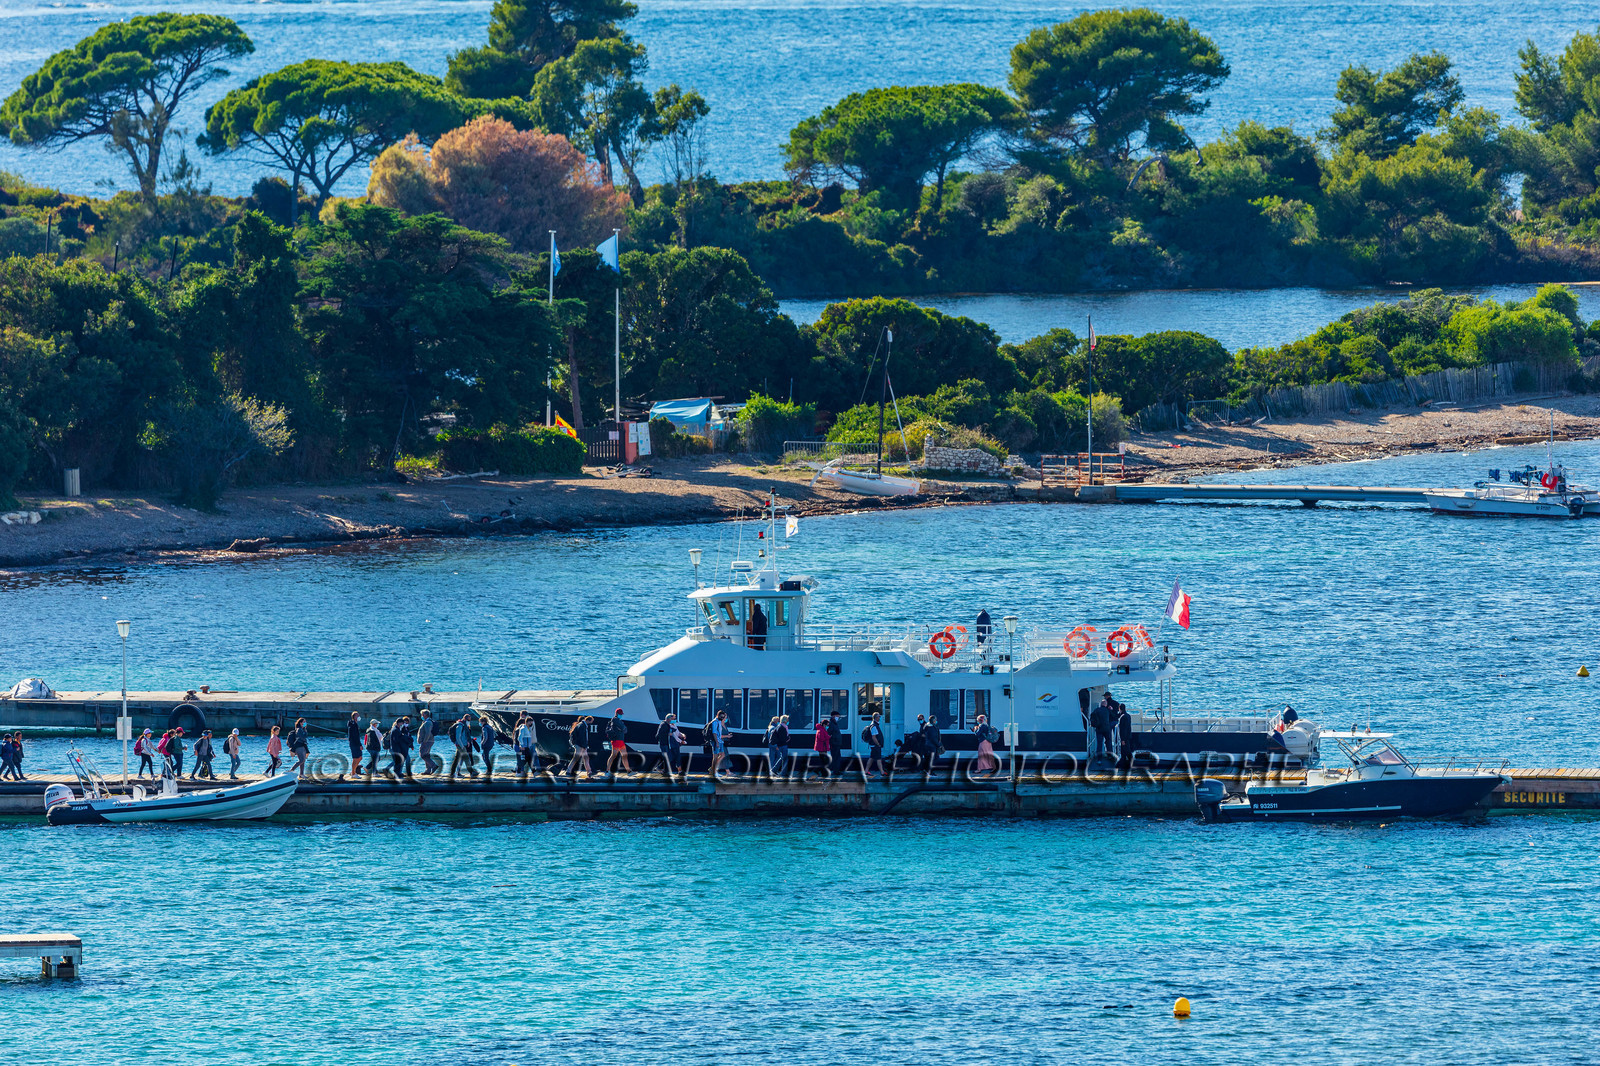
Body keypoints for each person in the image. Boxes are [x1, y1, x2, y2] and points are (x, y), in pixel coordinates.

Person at [1089, 696, 1114, 766]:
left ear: (1100, 704)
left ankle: (1099, 759)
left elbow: (1092, 717)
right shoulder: (1107, 710)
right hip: (1107, 729)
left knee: (1099, 744)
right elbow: (1114, 717)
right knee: (1108, 742)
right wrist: (1111, 709)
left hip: (1099, 729)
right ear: (1106, 704)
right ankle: (1110, 756)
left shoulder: (1096, 710)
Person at [656, 712, 681, 779]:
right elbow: (660, 734)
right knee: (667, 757)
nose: (673, 720)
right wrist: (668, 733)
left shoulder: (666, 724)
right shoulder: (664, 724)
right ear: (669, 718)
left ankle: (664, 770)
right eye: (672, 719)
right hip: (664, 743)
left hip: (666, 743)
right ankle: (663, 770)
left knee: (668, 757)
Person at [605, 709, 629, 775]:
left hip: (620, 740)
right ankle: (607, 770)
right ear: (616, 713)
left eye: (621, 714)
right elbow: (623, 728)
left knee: (621, 755)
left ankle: (629, 771)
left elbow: (625, 729)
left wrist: (622, 729)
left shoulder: (618, 721)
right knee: (614, 755)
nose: (621, 715)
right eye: (620, 714)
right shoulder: (615, 720)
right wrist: (622, 729)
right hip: (617, 740)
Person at [861, 712, 886, 778]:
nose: (880, 718)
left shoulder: (874, 725)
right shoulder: (874, 726)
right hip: (875, 745)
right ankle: (882, 772)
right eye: (879, 716)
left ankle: (866, 771)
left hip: (873, 745)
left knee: (871, 758)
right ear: (876, 718)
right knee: (878, 758)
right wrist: (878, 744)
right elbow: (874, 737)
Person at [417, 709, 439, 775]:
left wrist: (425, 741)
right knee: (426, 755)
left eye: (422, 714)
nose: (421, 716)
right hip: (428, 741)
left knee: (422, 754)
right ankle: (428, 770)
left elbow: (428, 733)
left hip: (427, 741)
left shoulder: (428, 722)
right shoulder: (426, 722)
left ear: (425, 715)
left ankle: (433, 765)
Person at [709, 709, 730, 777]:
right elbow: (714, 732)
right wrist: (717, 742)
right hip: (716, 741)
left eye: (723, 717)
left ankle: (712, 769)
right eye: (721, 716)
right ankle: (714, 772)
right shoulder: (715, 722)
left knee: (722, 755)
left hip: (720, 741)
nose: (722, 718)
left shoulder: (719, 721)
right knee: (715, 757)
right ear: (718, 715)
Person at [1115, 703, 1135, 770]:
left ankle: (1130, 764)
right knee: (1124, 751)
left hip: (1124, 737)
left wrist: (1122, 739)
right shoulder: (1128, 716)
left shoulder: (1122, 717)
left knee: (1126, 751)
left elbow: (1123, 729)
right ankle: (1125, 765)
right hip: (1128, 736)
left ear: (1119, 709)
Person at [346, 710, 364, 774]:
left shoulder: (355, 724)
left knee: (359, 757)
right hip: (354, 744)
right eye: (357, 715)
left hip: (356, 743)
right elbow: (354, 736)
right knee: (356, 758)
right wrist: (359, 745)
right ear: (354, 716)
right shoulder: (352, 724)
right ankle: (353, 773)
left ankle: (353, 771)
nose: (359, 716)